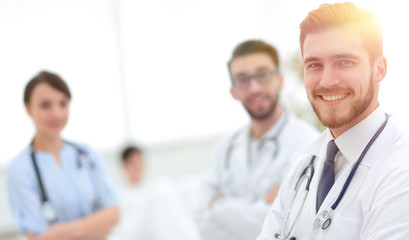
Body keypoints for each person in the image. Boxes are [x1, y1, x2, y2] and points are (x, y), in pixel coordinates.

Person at [257, 2, 409, 240]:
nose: (327, 81)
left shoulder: (401, 173)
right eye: (314, 65)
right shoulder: (304, 165)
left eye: (344, 62)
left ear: (379, 69)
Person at [195, 40, 319, 240]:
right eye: (242, 79)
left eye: (263, 75)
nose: (254, 88)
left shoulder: (308, 143)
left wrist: (220, 205)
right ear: (233, 91)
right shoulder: (224, 148)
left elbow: (292, 224)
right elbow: (202, 223)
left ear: (280, 80)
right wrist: (263, 207)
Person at [6, 70, 119, 240]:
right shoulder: (19, 168)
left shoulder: (87, 154)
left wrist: (60, 232)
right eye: (45, 105)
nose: (56, 114)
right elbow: (37, 236)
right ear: (28, 108)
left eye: (63, 104)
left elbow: (113, 214)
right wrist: (93, 226)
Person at [108, 145, 201, 240]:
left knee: (188, 183)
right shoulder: (120, 195)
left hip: (158, 230)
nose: (138, 167)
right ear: (124, 167)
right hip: (139, 231)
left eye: (141, 163)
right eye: (134, 164)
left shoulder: (152, 188)